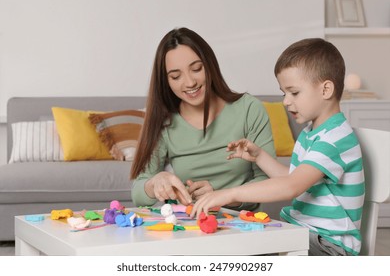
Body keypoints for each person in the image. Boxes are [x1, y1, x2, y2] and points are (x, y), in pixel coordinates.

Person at [190, 38, 365, 256]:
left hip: (329, 245)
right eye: (284, 93)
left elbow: (291, 186)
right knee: (240, 244)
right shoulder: (312, 133)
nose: (286, 101)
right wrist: (260, 156)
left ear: (326, 89)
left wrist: (229, 194)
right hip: (306, 234)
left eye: (294, 92)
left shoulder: (336, 138)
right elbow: (294, 176)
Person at [130, 27, 276, 209]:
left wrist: (224, 196)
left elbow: (268, 180)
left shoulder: (248, 109)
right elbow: (138, 192)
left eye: (197, 69)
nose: (190, 82)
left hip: (243, 224)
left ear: (210, 65)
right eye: (176, 76)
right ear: (166, 81)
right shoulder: (164, 121)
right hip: (190, 226)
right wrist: (155, 182)